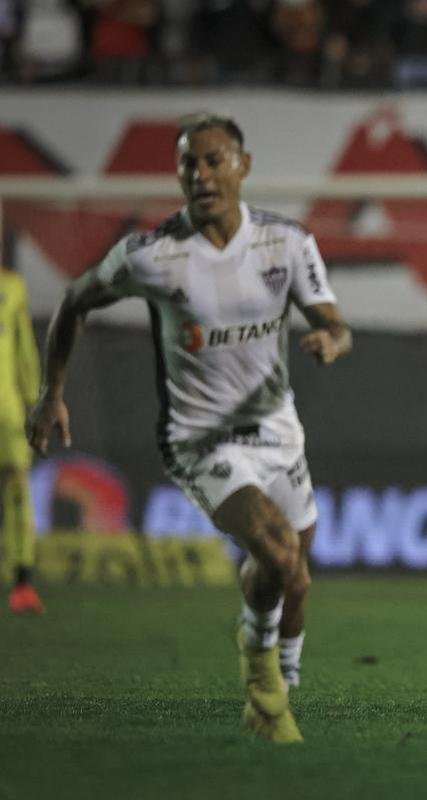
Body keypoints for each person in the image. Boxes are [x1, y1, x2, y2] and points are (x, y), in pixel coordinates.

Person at [26, 113, 351, 743]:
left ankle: (276, 672)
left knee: (295, 577)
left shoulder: (285, 244)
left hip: (279, 432)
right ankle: (268, 694)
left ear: (243, 165)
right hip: (201, 440)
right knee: (280, 553)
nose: (200, 175)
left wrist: (330, 341)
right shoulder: (154, 256)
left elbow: (334, 321)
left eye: (213, 160)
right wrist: (52, 392)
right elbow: (74, 299)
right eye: (188, 164)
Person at [0, 264, 42, 614]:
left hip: (6, 413)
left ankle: (22, 581)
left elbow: (24, 347)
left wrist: (34, 400)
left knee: (16, 490)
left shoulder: (12, 286)